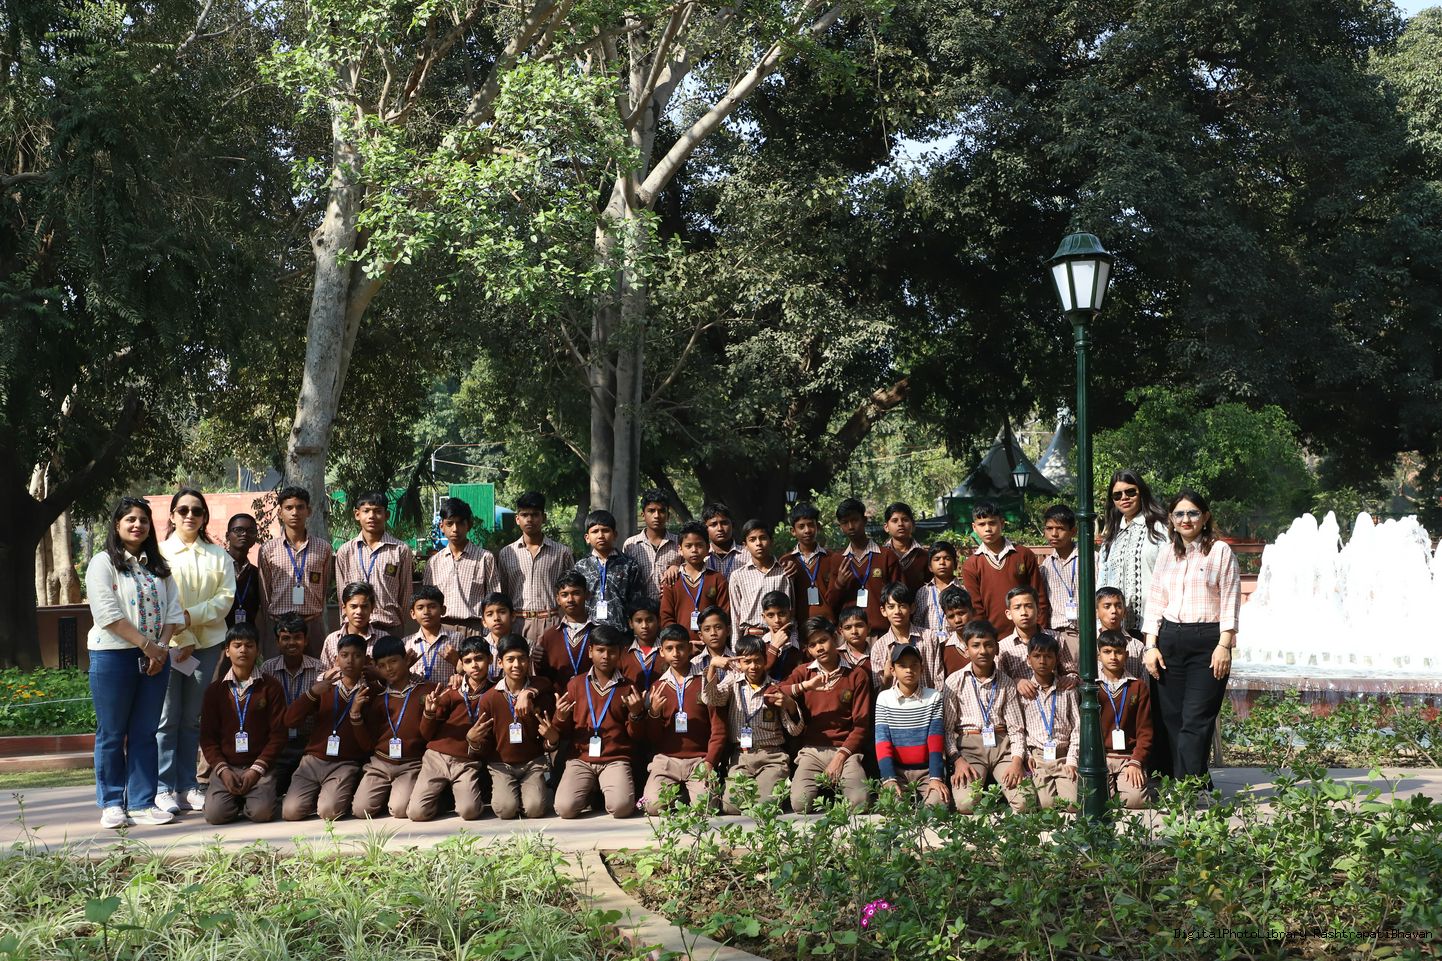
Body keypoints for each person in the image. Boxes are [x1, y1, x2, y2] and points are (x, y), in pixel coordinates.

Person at [86, 497, 183, 828]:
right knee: (112, 733)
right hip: (113, 655)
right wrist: (148, 646)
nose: (137, 525)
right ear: (117, 525)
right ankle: (112, 803)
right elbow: (107, 614)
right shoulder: (103, 563)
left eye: (143, 519)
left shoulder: (158, 567)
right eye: (130, 519)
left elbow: (173, 613)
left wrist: (161, 649)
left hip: (156, 657)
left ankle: (142, 802)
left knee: (145, 731)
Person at [1142, 489, 1240, 786]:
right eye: (1179, 514)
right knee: (1171, 718)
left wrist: (1224, 645)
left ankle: (1185, 787)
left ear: (1205, 517)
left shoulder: (1220, 551)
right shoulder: (1166, 552)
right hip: (1169, 639)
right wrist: (1150, 646)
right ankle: (1193, 781)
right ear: (1171, 520)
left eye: (1193, 513)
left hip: (1207, 642)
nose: (1186, 519)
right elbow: (1155, 600)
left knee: (1196, 718)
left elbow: (1230, 601)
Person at [156, 488, 237, 815]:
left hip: (206, 647)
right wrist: (183, 630)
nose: (190, 515)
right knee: (166, 718)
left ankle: (187, 785)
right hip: (168, 646)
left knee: (191, 719)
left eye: (197, 511)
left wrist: (189, 619)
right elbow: (159, 600)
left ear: (204, 517)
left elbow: (225, 600)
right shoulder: (158, 554)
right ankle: (163, 787)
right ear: (172, 515)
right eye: (183, 510)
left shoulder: (219, 556)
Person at [548, 625, 645, 819]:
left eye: (611, 651)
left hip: (615, 759)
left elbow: (637, 736)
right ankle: (591, 792)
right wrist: (560, 717)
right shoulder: (575, 684)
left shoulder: (627, 687)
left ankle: (601, 792)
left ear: (620, 653)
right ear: (590, 651)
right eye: (600, 650)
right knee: (565, 809)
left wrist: (636, 715)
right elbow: (564, 731)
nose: (606, 656)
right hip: (581, 759)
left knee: (622, 808)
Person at [704, 636, 804, 814]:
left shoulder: (774, 688)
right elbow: (711, 699)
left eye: (758, 660)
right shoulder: (732, 682)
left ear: (765, 660)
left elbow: (795, 730)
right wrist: (712, 667)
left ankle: (774, 789)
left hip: (772, 757)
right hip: (741, 757)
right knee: (730, 807)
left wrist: (790, 705)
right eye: (747, 661)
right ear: (739, 663)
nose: (753, 666)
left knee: (764, 807)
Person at [199, 624, 287, 824]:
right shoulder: (215, 691)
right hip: (227, 766)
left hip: (259, 767)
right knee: (215, 815)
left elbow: (278, 735)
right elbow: (208, 738)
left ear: (258, 650)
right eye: (237, 645)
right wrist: (223, 770)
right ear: (227, 651)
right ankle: (234, 800)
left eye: (249, 645)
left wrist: (256, 769)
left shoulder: (271, 687)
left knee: (261, 813)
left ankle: (252, 798)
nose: (243, 650)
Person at [281, 635, 374, 821]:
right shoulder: (324, 688)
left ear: (366, 660)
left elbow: (367, 746)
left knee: (329, 812)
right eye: (344, 655)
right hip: (313, 760)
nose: (350, 660)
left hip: (345, 763)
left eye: (357, 655)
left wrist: (356, 714)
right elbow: (290, 720)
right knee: (291, 812)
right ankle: (319, 795)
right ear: (336, 659)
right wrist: (312, 693)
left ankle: (334, 794)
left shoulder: (371, 692)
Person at [784, 618, 872, 812]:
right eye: (812, 645)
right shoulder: (803, 673)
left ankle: (837, 787)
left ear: (835, 638)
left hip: (846, 750)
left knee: (859, 803)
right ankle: (827, 792)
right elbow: (771, 694)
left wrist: (840, 758)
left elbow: (861, 726)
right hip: (812, 751)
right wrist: (804, 686)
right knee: (800, 804)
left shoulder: (857, 675)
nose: (819, 648)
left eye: (823, 640)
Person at [640, 625, 726, 814]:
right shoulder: (658, 687)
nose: (675, 653)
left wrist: (710, 762)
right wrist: (654, 713)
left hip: (699, 760)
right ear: (661, 651)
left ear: (689, 648)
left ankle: (688, 793)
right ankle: (680, 795)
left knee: (706, 808)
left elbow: (718, 728)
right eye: (669, 648)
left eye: (680, 647)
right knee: (652, 806)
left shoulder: (705, 681)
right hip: (667, 761)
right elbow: (653, 738)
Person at [943, 621, 1027, 814]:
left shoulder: (1006, 682)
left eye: (988, 645)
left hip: (1002, 747)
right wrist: (957, 760)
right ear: (966, 650)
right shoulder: (954, 682)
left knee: (1024, 802)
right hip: (969, 747)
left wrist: (1016, 762)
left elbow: (1016, 729)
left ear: (996, 648)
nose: (982, 651)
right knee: (965, 804)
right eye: (976, 645)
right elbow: (947, 730)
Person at [410, 636, 495, 821]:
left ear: (490, 659)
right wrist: (429, 713)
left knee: (469, 812)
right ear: (461, 665)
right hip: (436, 757)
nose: (474, 665)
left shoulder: (496, 691)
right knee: (417, 813)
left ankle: (456, 797)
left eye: (479, 658)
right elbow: (426, 734)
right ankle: (444, 799)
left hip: (467, 761)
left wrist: (474, 741)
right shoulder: (452, 691)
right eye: (468, 661)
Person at [353, 635, 436, 819]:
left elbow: (430, 734)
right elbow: (368, 742)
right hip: (380, 763)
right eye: (382, 665)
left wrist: (429, 713)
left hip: (410, 763)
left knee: (399, 810)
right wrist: (355, 715)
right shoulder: (377, 698)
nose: (389, 669)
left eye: (393, 661)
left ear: (406, 660)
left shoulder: (426, 691)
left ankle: (404, 797)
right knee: (361, 810)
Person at [477, 635, 556, 819]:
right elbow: (485, 741)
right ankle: (513, 796)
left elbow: (546, 683)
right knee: (505, 810)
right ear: (500, 662)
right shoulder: (489, 698)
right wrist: (473, 741)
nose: (516, 665)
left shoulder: (540, 693)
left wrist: (552, 740)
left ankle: (532, 793)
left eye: (522, 659)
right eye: (510, 659)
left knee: (535, 809)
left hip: (532, 763)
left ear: (528, 660)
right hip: (501, 765)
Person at [258, 486, 333, 655]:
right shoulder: (268, 550)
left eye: (300, 507)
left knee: (316, 669)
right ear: (280, 512)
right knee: (275, 669)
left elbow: (324, 588)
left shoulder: (323, 548)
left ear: (309, 511)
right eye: (289, 508)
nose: (295, 513)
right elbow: (265, 593)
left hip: (311, 624)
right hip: (279, 625)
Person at [875, 644, 949, 808]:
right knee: (892, 807)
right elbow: (882, 742)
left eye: (914, 665)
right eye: (902, 665)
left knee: (937, 805)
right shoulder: (884, 698)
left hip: (926, 771)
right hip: (897, 771)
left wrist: (936, 778)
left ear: (921, 668)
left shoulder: (933, 697)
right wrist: (889, 779)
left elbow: (935, 742)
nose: (909, 670)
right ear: (893, 670)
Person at [1097, 469, 1169, 637]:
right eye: (1117, 495)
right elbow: (1102, 583)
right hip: (1116, 629)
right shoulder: (1111, 537)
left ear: (1141, 492)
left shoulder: (1159, 529)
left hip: (1153, 626)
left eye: (1130, 492)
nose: (1124, 498)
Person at [961, 502, 1049, 638]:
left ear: (1002, 523)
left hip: (1029, 636)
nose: (988, 529)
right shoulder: (971, 565)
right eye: (982, 524)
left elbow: (1039, 596)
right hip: (993, 638)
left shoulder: (1023, 555)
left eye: (992, 523)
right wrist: (986, 638)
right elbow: (976, 608)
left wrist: (1040, 632)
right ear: (974, 527)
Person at [497, 492, 575, 646]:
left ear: (543, 518)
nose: (529, 519)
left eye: (534, 515)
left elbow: (571, 590)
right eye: (524, 515)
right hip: (518, 622)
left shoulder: (562, 552)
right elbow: (503, 594)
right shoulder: (507, 553)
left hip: (552, 621)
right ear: (517, 519)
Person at [258, 612, 324, 795]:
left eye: (297, 638)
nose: (292, 643)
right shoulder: (267, 669)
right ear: (277, 642)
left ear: (306, 640)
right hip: (278, 744)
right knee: (268, 792)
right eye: (286, 638)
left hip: (308, 744)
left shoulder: (319, 668)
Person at [334, 492, 414, 634]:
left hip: (389, 625)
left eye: (377, 511)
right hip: (355, 628)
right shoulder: (345, 551)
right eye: (366, 511)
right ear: (357, 514)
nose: (371, 516)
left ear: (386, 515)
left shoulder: (400, 550)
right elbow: (342, 593)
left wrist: (400, 625)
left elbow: (405, 593)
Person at [1017, 634, 1079, 810]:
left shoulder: (1067, 690)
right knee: (1046, 805)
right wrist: (1027, 756)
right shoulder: (1023, 692)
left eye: (1048, 656)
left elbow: (1077, 727)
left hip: (1063, 756)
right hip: (1038, 758)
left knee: (1072, 805)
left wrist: (1072, 760)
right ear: (1028, 659)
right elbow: (1019, 729)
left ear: (1057, 659)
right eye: (1037, 656)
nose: (1042, 661)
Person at [422, 497, 500, 635]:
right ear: (441, 526)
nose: (455, 529)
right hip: (442, 629)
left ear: (468, 525)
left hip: (474, 629)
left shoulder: (485, 558)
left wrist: (489, 635)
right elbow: (426, 601)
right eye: (450, 523)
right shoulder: (434, 563)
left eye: (460, 523)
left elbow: (494, 599)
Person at [826, 498, 900, 635]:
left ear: (864, 520)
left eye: (855, 520)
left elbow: (899, 596)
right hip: (850, 633)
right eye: (845, 523)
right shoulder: (838, 559)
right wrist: (839, 584)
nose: (850, 526)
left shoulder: (886, 555)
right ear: (840, 526)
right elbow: (831, 603)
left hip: (881, 632)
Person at [1098, 629, 1153, 809]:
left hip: (1128, 758)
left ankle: (1123, 787)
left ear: (1127, 655)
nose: (1113, 657)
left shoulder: (1138, 687)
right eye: (1107, 652)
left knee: (1136, 801)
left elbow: (1145, 730)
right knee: (1098, 799)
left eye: (1118, 652)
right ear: (1099, 656)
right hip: (1101, 758)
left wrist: (1137, 761)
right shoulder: (1092, 687)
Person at [571, 509, 645, 631]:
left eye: (605, 530)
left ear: (615, 534)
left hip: (621, 631)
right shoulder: (580, 567)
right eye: (595, 531)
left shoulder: (629, 565)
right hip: (589, 631)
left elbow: (636, 602)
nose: (600, 535)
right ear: (587, 538)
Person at [996, 586, 1077, 694]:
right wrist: (1015, 681)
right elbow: (999, 681)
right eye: (1017, 607)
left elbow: (1070, 671)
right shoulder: (1003, 647)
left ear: (1038, 611)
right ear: (1009, 614)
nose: (1023, 612)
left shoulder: (1056, 638)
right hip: (1020, 701)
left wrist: (1070, 678)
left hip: (1054, 697)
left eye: (1028, 606)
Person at [660, 522, 730, 645]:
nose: (694, 550)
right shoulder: (672, 580)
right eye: (688, 546)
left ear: (708, 548)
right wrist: (682, 643)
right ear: (680, 549)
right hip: (680, 647)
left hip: (711, 645)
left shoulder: (717, 579)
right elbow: (666, 617)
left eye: (699, 545)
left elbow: (724, 614)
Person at [727, 520, 794, 643]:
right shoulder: (738, 576)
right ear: (745, 545)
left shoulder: (785, 572)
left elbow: (792, 610)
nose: (758, 543)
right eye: (752, 540)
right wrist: (735, 646)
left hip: (780, 637)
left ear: (771, 541)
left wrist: (794, 641)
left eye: (763, 538)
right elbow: (735, 615)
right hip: (750, 640)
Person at [870, 582, 941, 691]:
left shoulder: (929, 638)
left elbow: (938, 678)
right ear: (883, 611)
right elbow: (879, 693)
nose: (897, 612)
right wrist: (887, 677)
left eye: (902, 606)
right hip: (895, 702)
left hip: (928, 700)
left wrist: (936, 699)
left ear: (912, 608)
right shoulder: (879, 647)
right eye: (891, 607)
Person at [535, 572, 596, 688]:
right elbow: (544, 677)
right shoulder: (550, 636)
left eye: (576, 593)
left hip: (591, 697)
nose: (570, 599)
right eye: (564, 595)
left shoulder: (599, 633)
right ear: (558, 599)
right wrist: (538, 662)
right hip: (559, 697)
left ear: (587, 595)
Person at [622, 489, 682, 600]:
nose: (657, 516)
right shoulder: (631, 544)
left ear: (668, 515)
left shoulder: (679, 543)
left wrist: (678, 567)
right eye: (651, 511)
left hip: (670, 605)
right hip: (640, 606)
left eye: (662, 511)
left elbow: (691, 569)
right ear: (643, 515)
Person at [1039, 505, 1081, 663]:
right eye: (1049, 528)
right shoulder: (1046, 566)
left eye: (1060, 528)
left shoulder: (1090, 559)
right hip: (1056, 633)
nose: (1054, 534)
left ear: (1073, 531)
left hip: (1085, 632)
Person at [785, 503, 839, 624]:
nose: (807, 530)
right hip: (799, 626)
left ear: (818, 527)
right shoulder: (787, 561)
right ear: (793, 531)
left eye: (811, 525)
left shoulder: (832, 558)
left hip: (828, 625)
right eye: (801, 526)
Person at [404, 585, 461, 686]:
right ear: (413, 613)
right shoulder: (407, 643)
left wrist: (457, 661)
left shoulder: (457, 638)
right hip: (415, 693)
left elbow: (468, 671)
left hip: (447, 692)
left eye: (432, 607)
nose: (426, 612)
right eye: (420, 608)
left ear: (443, 610)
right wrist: (405, 667)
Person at [320, 582, 383, 667]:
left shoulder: (382, 639)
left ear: (372, 608)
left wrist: (375, 672)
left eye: (364, 606)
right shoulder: (332, 640)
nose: (359, 612)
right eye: (353, 606)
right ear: (344, 608)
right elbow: (322, 672)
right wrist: (337, 670)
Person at [911, 542, 959, 634]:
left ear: (955, 565)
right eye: (937, 559)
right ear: (930, 567)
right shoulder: (923, 592)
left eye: (947, 559)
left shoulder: (963, 591)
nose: (942, 563)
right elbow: (917, 623)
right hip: (928, 641)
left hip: (955, 641)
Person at [1096, 587, 1145, 678]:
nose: (1114, 611)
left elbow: (1143, 684)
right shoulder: (1089, 646)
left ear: (1124, 612)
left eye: (1118, 606)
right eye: (1107, 606)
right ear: (1096, 612)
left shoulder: (1137, 647)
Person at [224, 513, 261, 629]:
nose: (244, 534)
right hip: (218, 635)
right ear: (227, 536)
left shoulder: (256, 574)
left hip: (247, 636)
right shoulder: (216, 567)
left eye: (251, 531)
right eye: (238, 530)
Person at [881, 502, 929, 592]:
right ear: (886, 527)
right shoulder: (880, 555)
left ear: (913, 525)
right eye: (895, 520)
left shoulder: (924, 556)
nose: (900, 524)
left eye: (905, 520)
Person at [931, 585, 974, 681]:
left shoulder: (985, 643)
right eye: (951, 616)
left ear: (972, 611)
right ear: (946, 619)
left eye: (961, 613)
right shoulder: (943, 650)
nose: (957, 620)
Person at [621, 599, 663, 692]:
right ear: (631, 623)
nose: (644, 626)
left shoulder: (667, 652)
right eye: (639, 621)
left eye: (650, 620)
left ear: (659, 621)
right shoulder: (623, 655)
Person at [758, 591, 801, 680]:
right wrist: (774, 646)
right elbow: (758, 674)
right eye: (771, 615)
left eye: (781, 614)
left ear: (791, 613)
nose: (777, 620)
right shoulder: (759, 645)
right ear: (764, 617)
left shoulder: (801, 644)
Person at [701, 502, 744, 576]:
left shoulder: (748, 554)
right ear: (705, 528)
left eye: (724, 523)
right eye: (714, 524)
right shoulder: (700, 556)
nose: (720, 529)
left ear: (732, 525)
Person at [692, 606, 734, 674]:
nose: (713, 633)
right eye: (707, 629)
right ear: (701, 635)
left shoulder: (738, 661)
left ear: (728, 631)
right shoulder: (694, 663)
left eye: (718, 627)